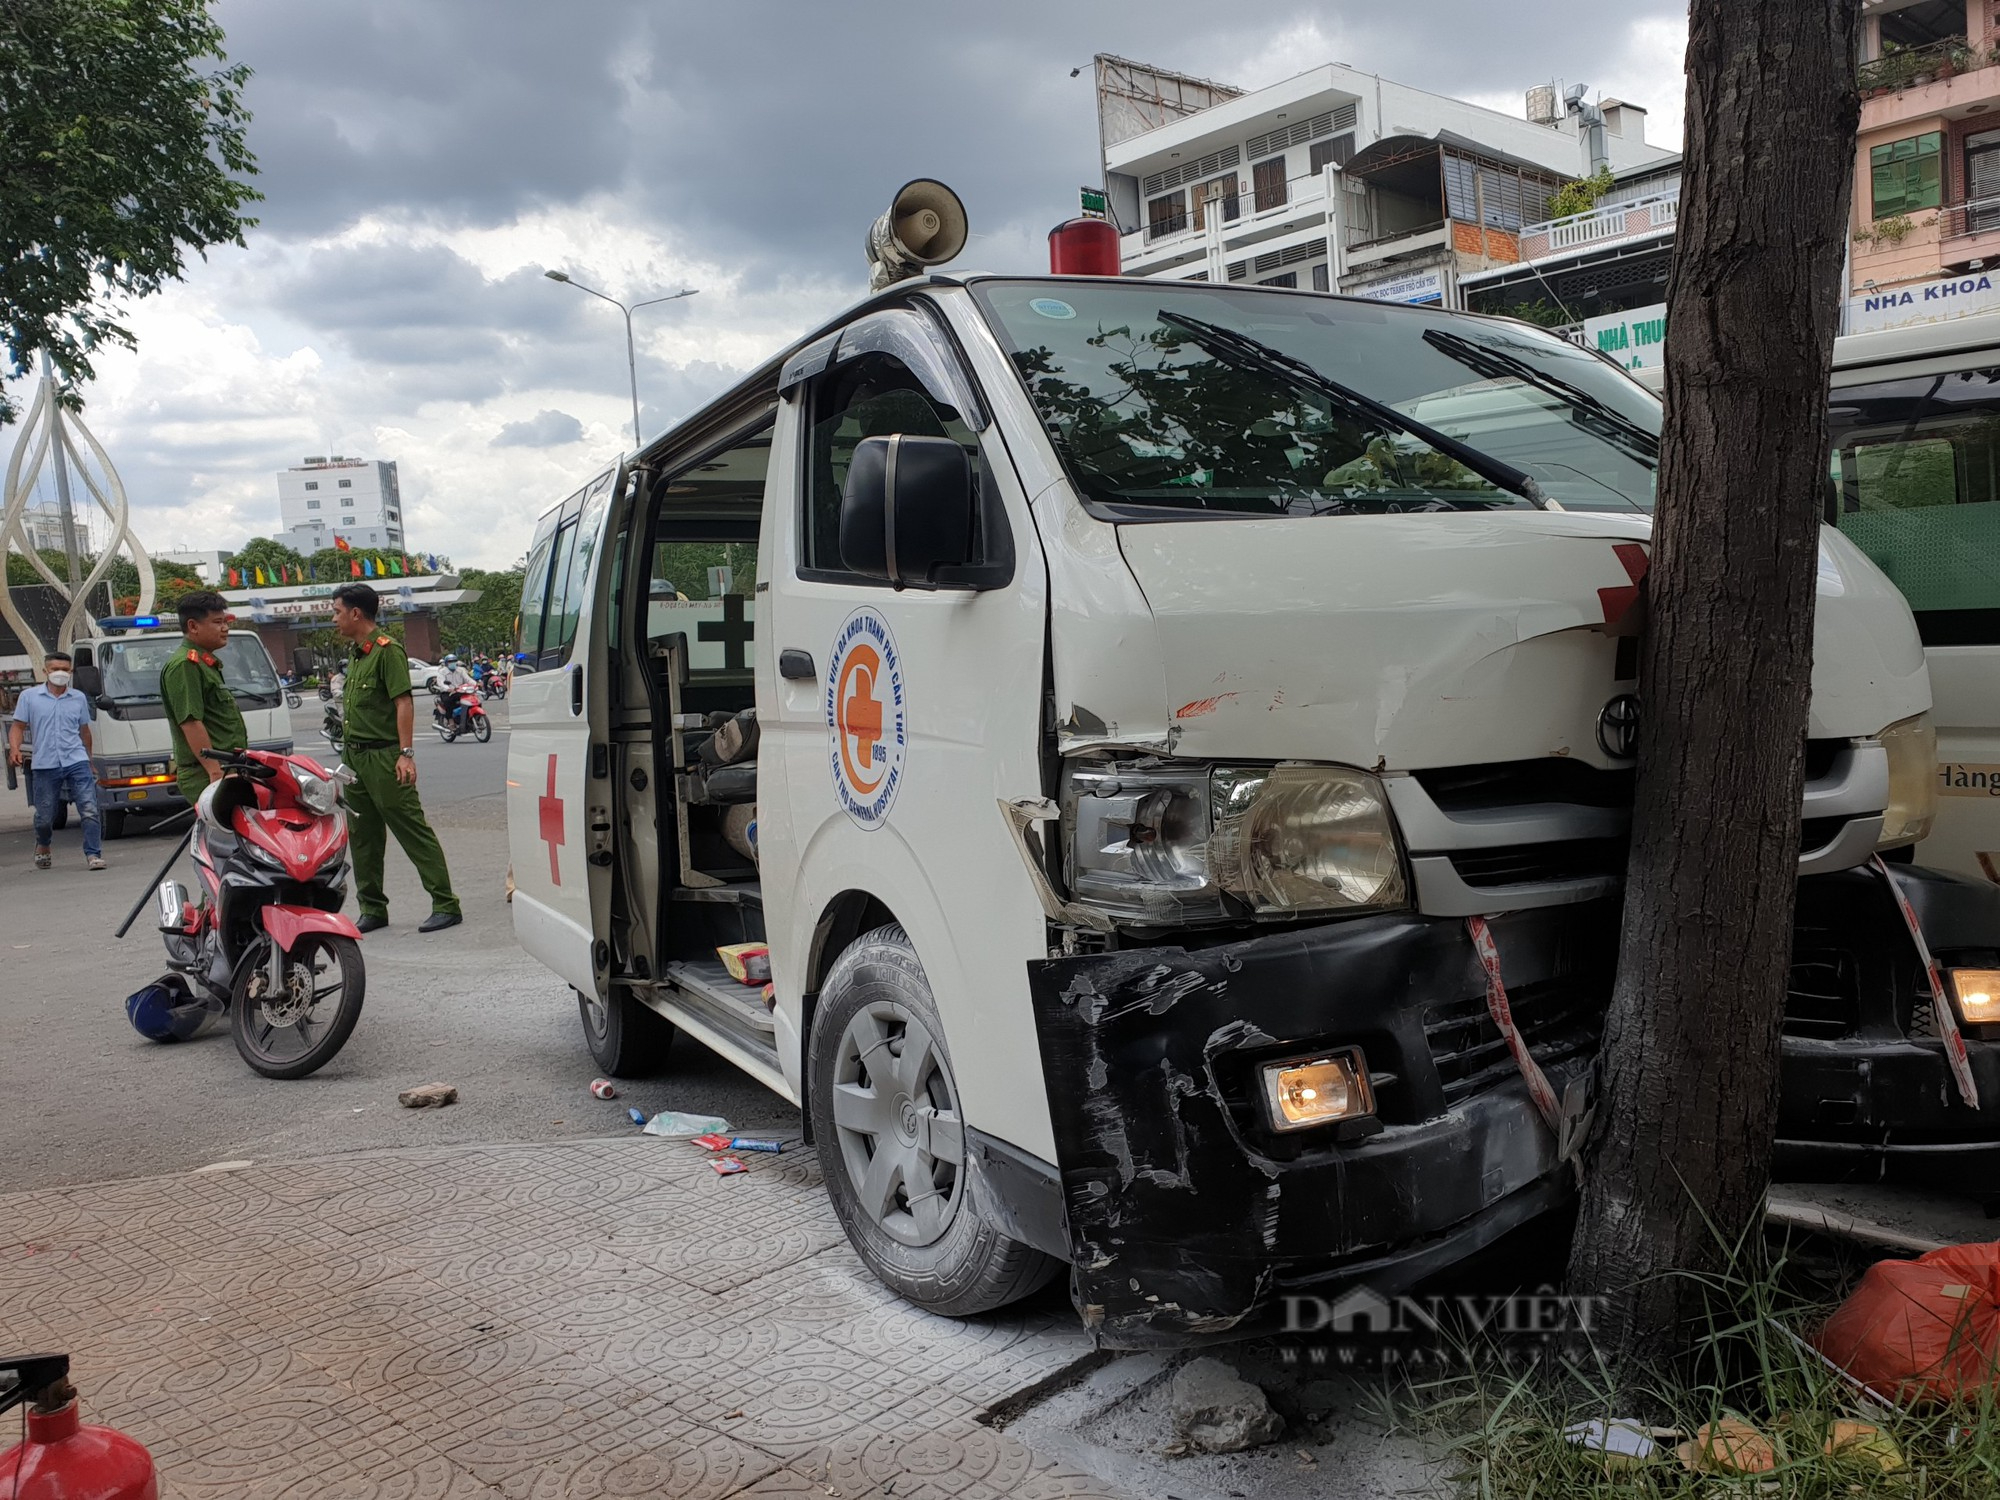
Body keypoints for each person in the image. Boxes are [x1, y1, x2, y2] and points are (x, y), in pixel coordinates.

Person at [331, 582, 462, 932]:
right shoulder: (358, 654)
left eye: (337, 612)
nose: (335, 619)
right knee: (362, 836)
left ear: (356, 613)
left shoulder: (387, 651)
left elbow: (403, 702)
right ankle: (372, 908)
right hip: (355, 758)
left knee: (411, 829)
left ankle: (445, 903)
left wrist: (406, 754)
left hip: (384, 757)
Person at [7, 651, 105, 871]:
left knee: (89, 808)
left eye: (64, 670)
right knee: (44, 816)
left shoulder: (78, 698)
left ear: (70, 672)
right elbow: (18, 726)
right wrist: (15, 749)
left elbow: (84, 731)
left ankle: (93, 854)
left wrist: (88, 759)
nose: (60, 673)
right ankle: (43, 844)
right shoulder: (29, 697)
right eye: (55, 669)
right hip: (45, 764)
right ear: (45, 671)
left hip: (76, 760)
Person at [158, 592, 247, 809]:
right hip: (207, 773)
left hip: (227, 768)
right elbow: (190, 722)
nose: (225, 628)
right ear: (193, 626)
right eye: (217, 622)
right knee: (225, 839)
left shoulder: (205, 663)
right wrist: (214, 771)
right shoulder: (185, 665)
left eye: (225, 621)